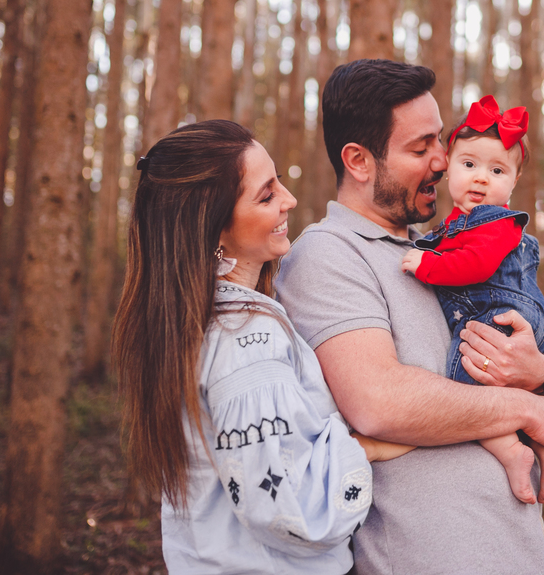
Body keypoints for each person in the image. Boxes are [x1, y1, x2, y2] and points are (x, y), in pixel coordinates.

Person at [275, 59, 544, 575]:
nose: (442, 161)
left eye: (441, 140)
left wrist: (543, 374)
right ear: (359, 161)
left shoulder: (438, 249)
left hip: (519, 554)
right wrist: (527, 411)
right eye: (420, 148)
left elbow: (523, 358)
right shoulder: (328, 255)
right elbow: (379, 400)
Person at [111, 120, 410, 575]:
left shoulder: (198, 325)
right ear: (212, 229)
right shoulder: (246, 339)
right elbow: (289, 510)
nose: (289, 199)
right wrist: (360, 446)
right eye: (266, 195)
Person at [399, 94, 544, 505]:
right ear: (448, 165)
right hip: (497, 312)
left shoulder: (498, 224)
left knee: (464, 380)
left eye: (497, 170)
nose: (481, 178)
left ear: (514, 183)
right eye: (469, 165)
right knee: (495, 386)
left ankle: (513, 450)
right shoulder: (456, 224)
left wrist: (426, 265)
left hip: (501, 314)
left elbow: (476, 266)